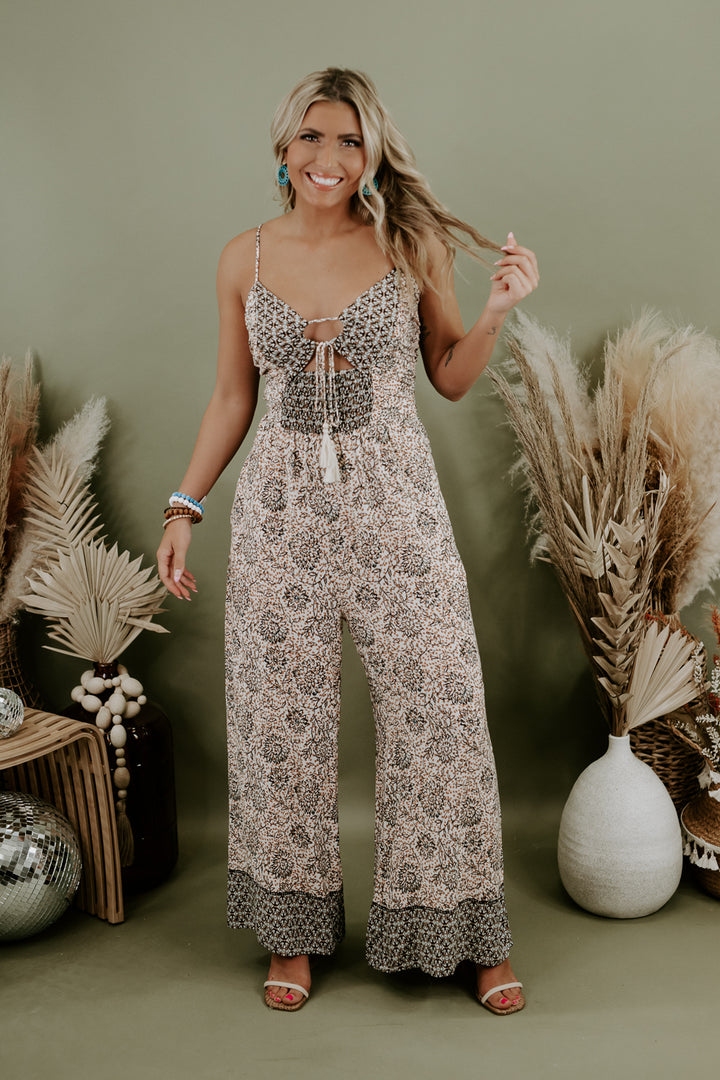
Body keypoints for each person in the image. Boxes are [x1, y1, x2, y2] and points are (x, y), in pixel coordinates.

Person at [156, 67, 539, 1015]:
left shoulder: (409, 245)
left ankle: (465, 932)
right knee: (278, 721)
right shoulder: (242, 259)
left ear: (372, 154)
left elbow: (449, 374)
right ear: (284, 147)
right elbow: (232, 397)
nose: (328, 158)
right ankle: (291, 935)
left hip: (396, 508)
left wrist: (495, 312)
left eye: (350, 141)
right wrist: (182, 507)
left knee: (440, 707)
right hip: (280, 516)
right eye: (313, 136)